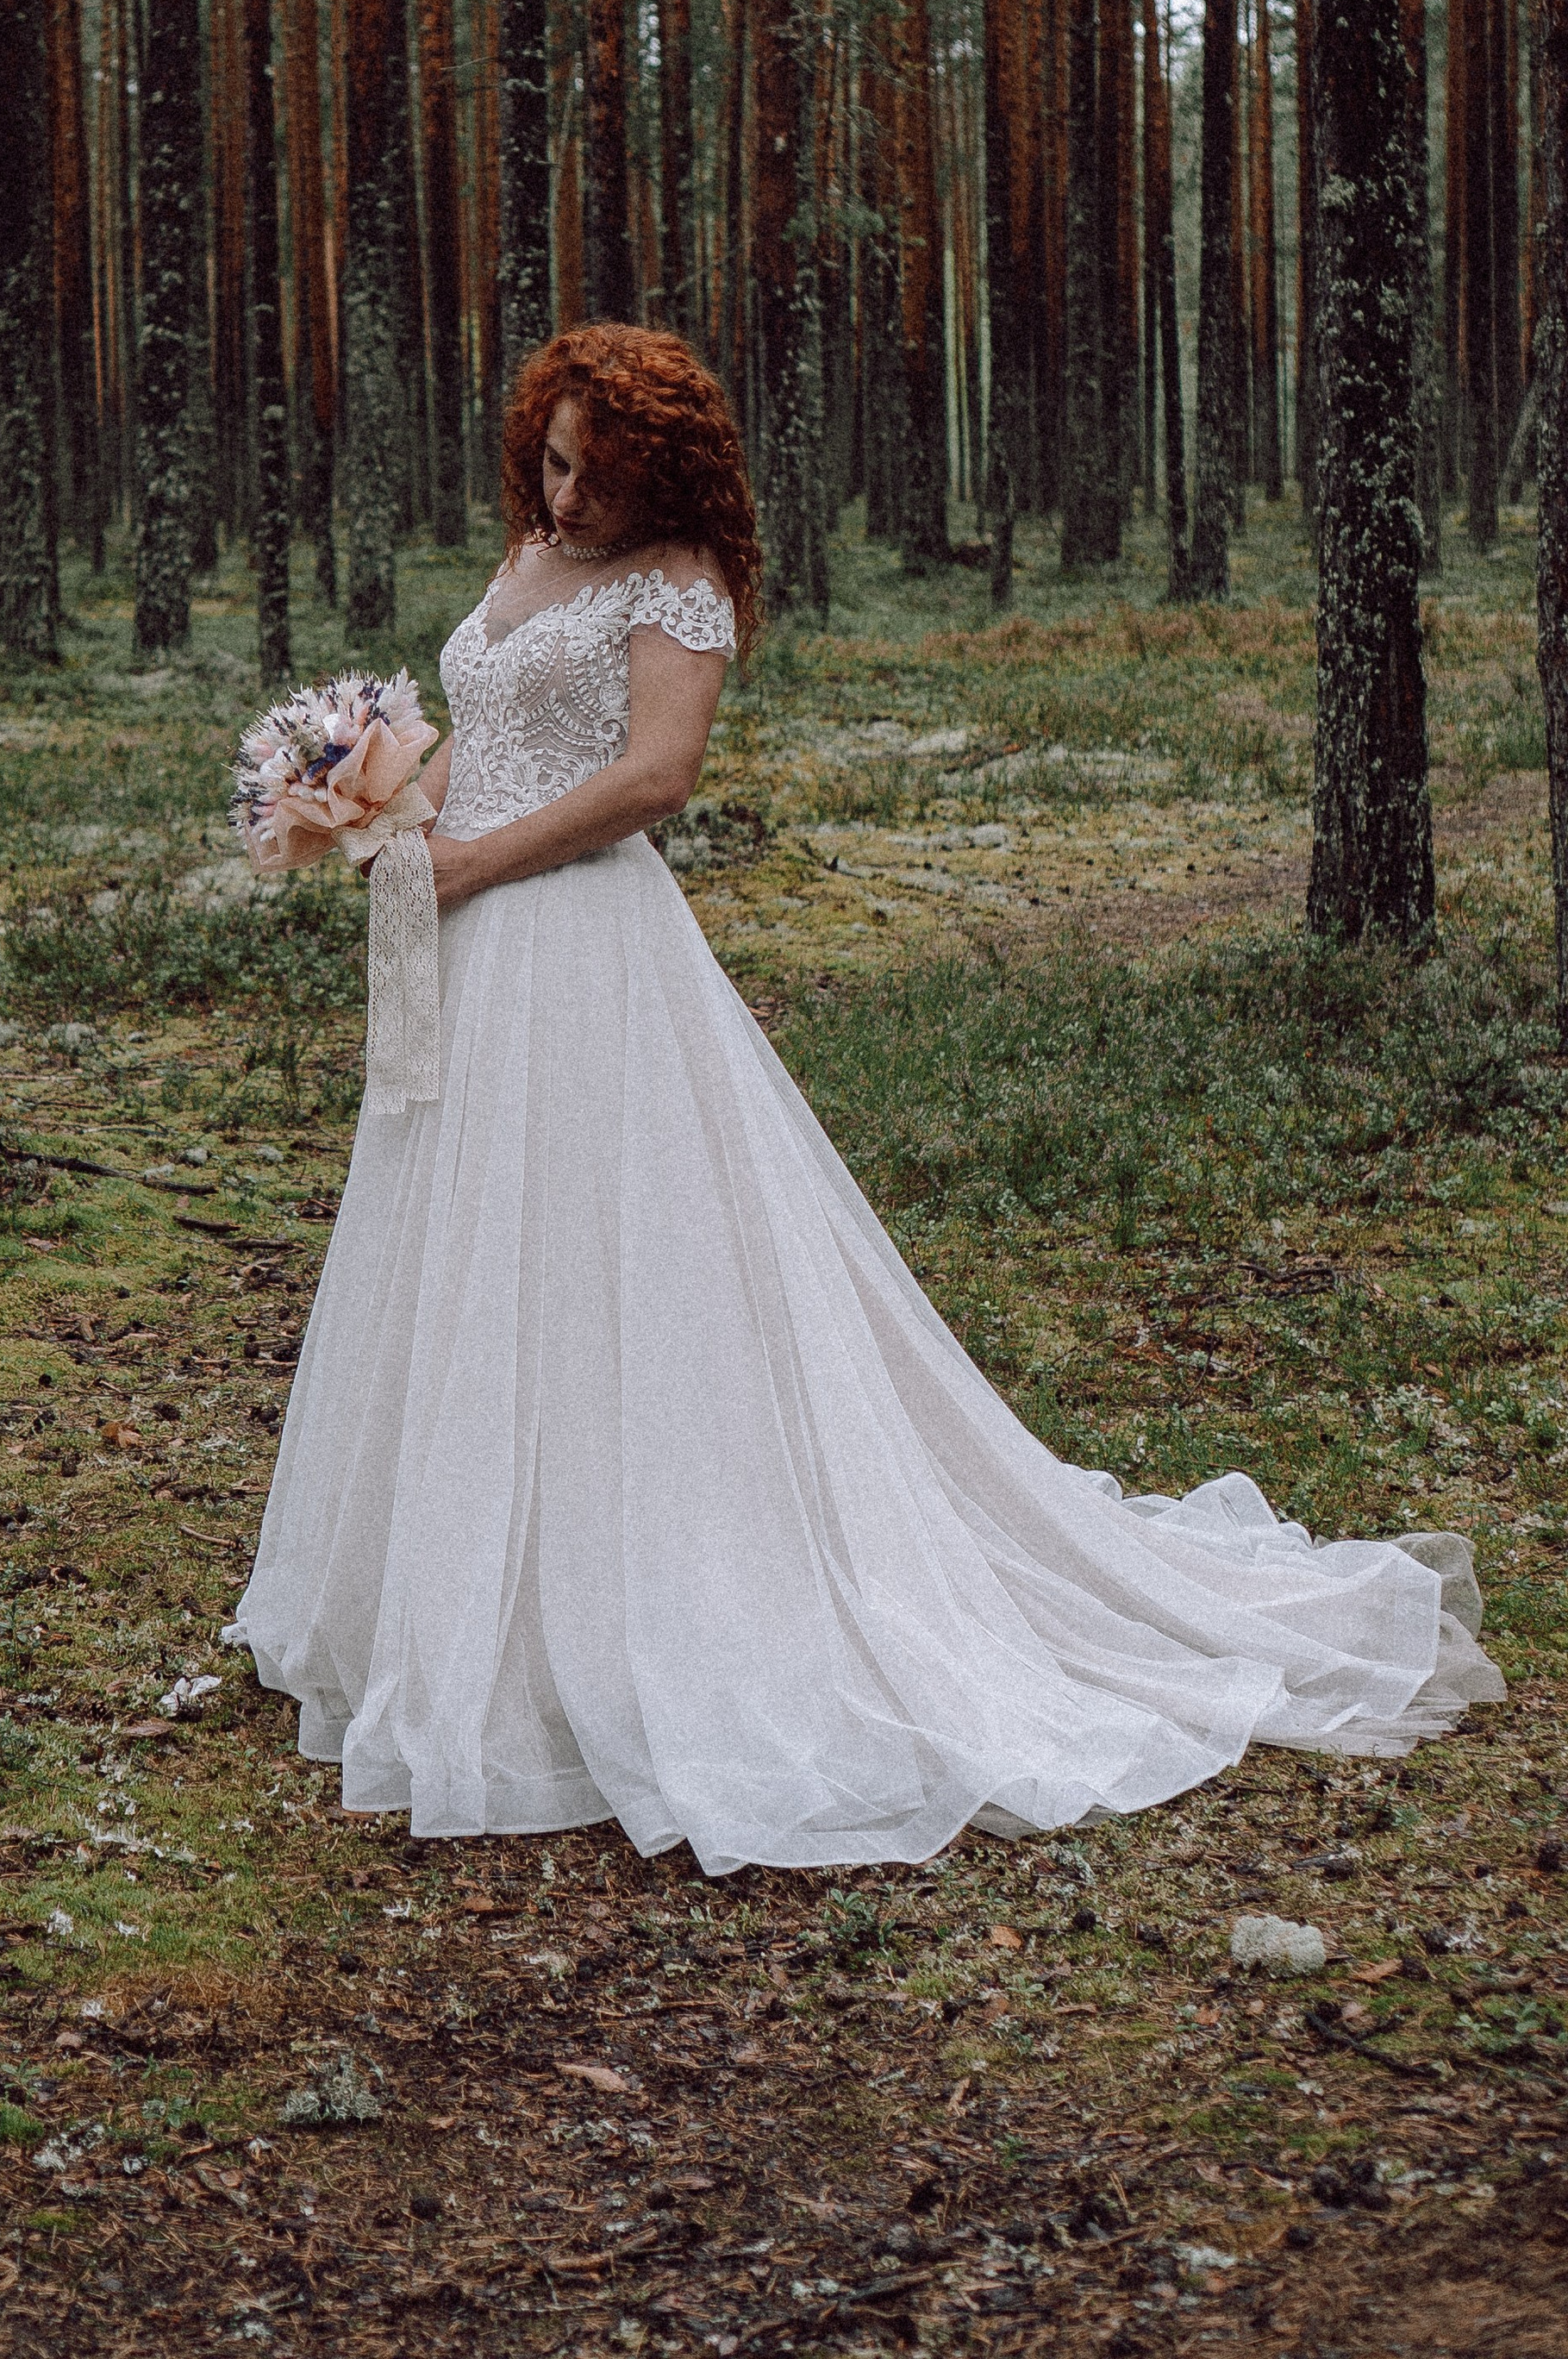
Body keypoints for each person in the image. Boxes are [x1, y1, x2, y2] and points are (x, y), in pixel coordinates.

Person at [228, 324, 1501, 1871]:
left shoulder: (678, 577)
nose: (568, 499)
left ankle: (642, 1608)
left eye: (602, 477)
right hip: (465, 951)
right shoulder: (528, 549)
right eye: (555, 462)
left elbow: (655, 777)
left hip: (581, 945)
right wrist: (372, 801)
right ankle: (452, 1602)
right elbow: (490, 724)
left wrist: (477, 860)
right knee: (463, 1245)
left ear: (667, 478)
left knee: (616, 1259)